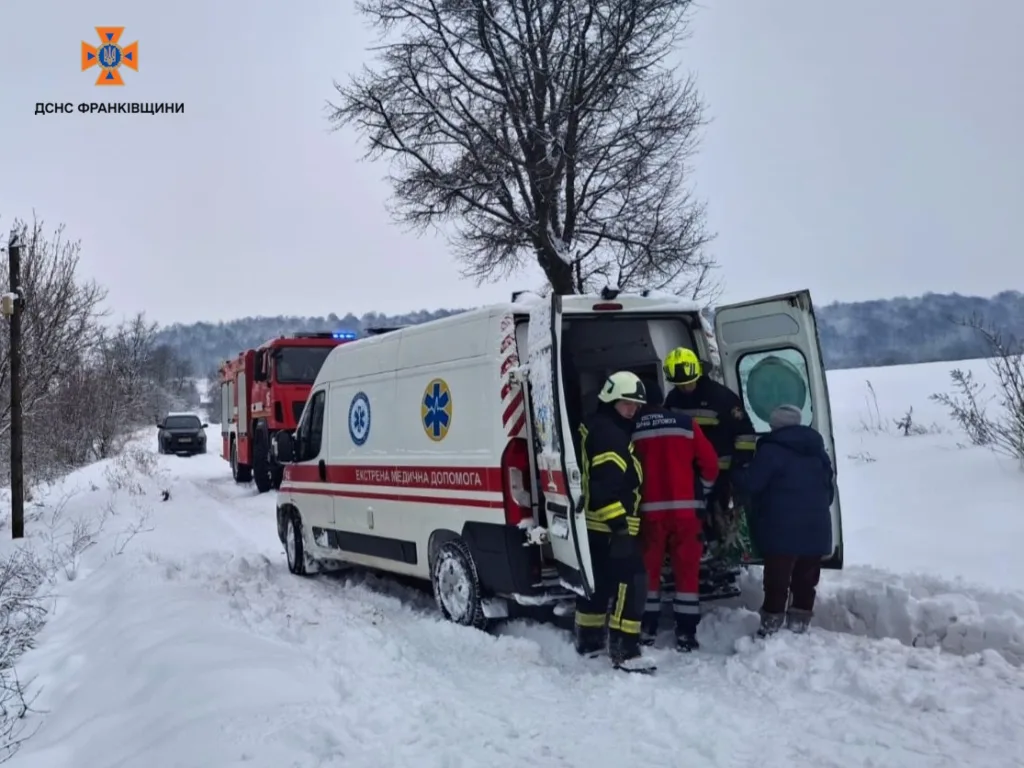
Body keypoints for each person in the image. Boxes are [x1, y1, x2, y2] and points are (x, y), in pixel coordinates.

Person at [574, 370, 655, 673]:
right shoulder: (610, 435)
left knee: (600, 585)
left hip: (596, 527)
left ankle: (589, 639)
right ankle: (625, 649)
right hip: (610, 526)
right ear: (611, 401)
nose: (633, 410)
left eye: (636, 405)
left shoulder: (600, 426)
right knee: (632, 583)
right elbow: (603, 488)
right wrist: (620, 526)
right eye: (626, 404)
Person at [732, 404, 835, 637]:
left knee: (777, 581)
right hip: (816, 526)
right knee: (806, 580)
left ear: (774, 425)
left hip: (781, 528)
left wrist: (735, 471)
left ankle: (771, 627)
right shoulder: (818, 450)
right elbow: (829, 491)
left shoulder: (771, 450)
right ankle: (799, 626)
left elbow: (752, 483)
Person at [632, 399, 719, 651]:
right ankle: (686, 633)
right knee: (687, 573)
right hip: (687, 513)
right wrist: (703, 490)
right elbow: (710, 464)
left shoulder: (634, 429)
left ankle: (647, 628)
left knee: (648, 572)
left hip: (649, 514)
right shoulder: (686, 424)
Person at [662, 348, 758, 538]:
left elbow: (745, 434)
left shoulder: (721, 398)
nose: (684, 388)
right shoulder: (673, 399)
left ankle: (718, 549)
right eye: (679, 384)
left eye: (687, 383)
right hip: (687, 471)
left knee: (718, 515)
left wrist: (739, 465)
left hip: (721, 471)